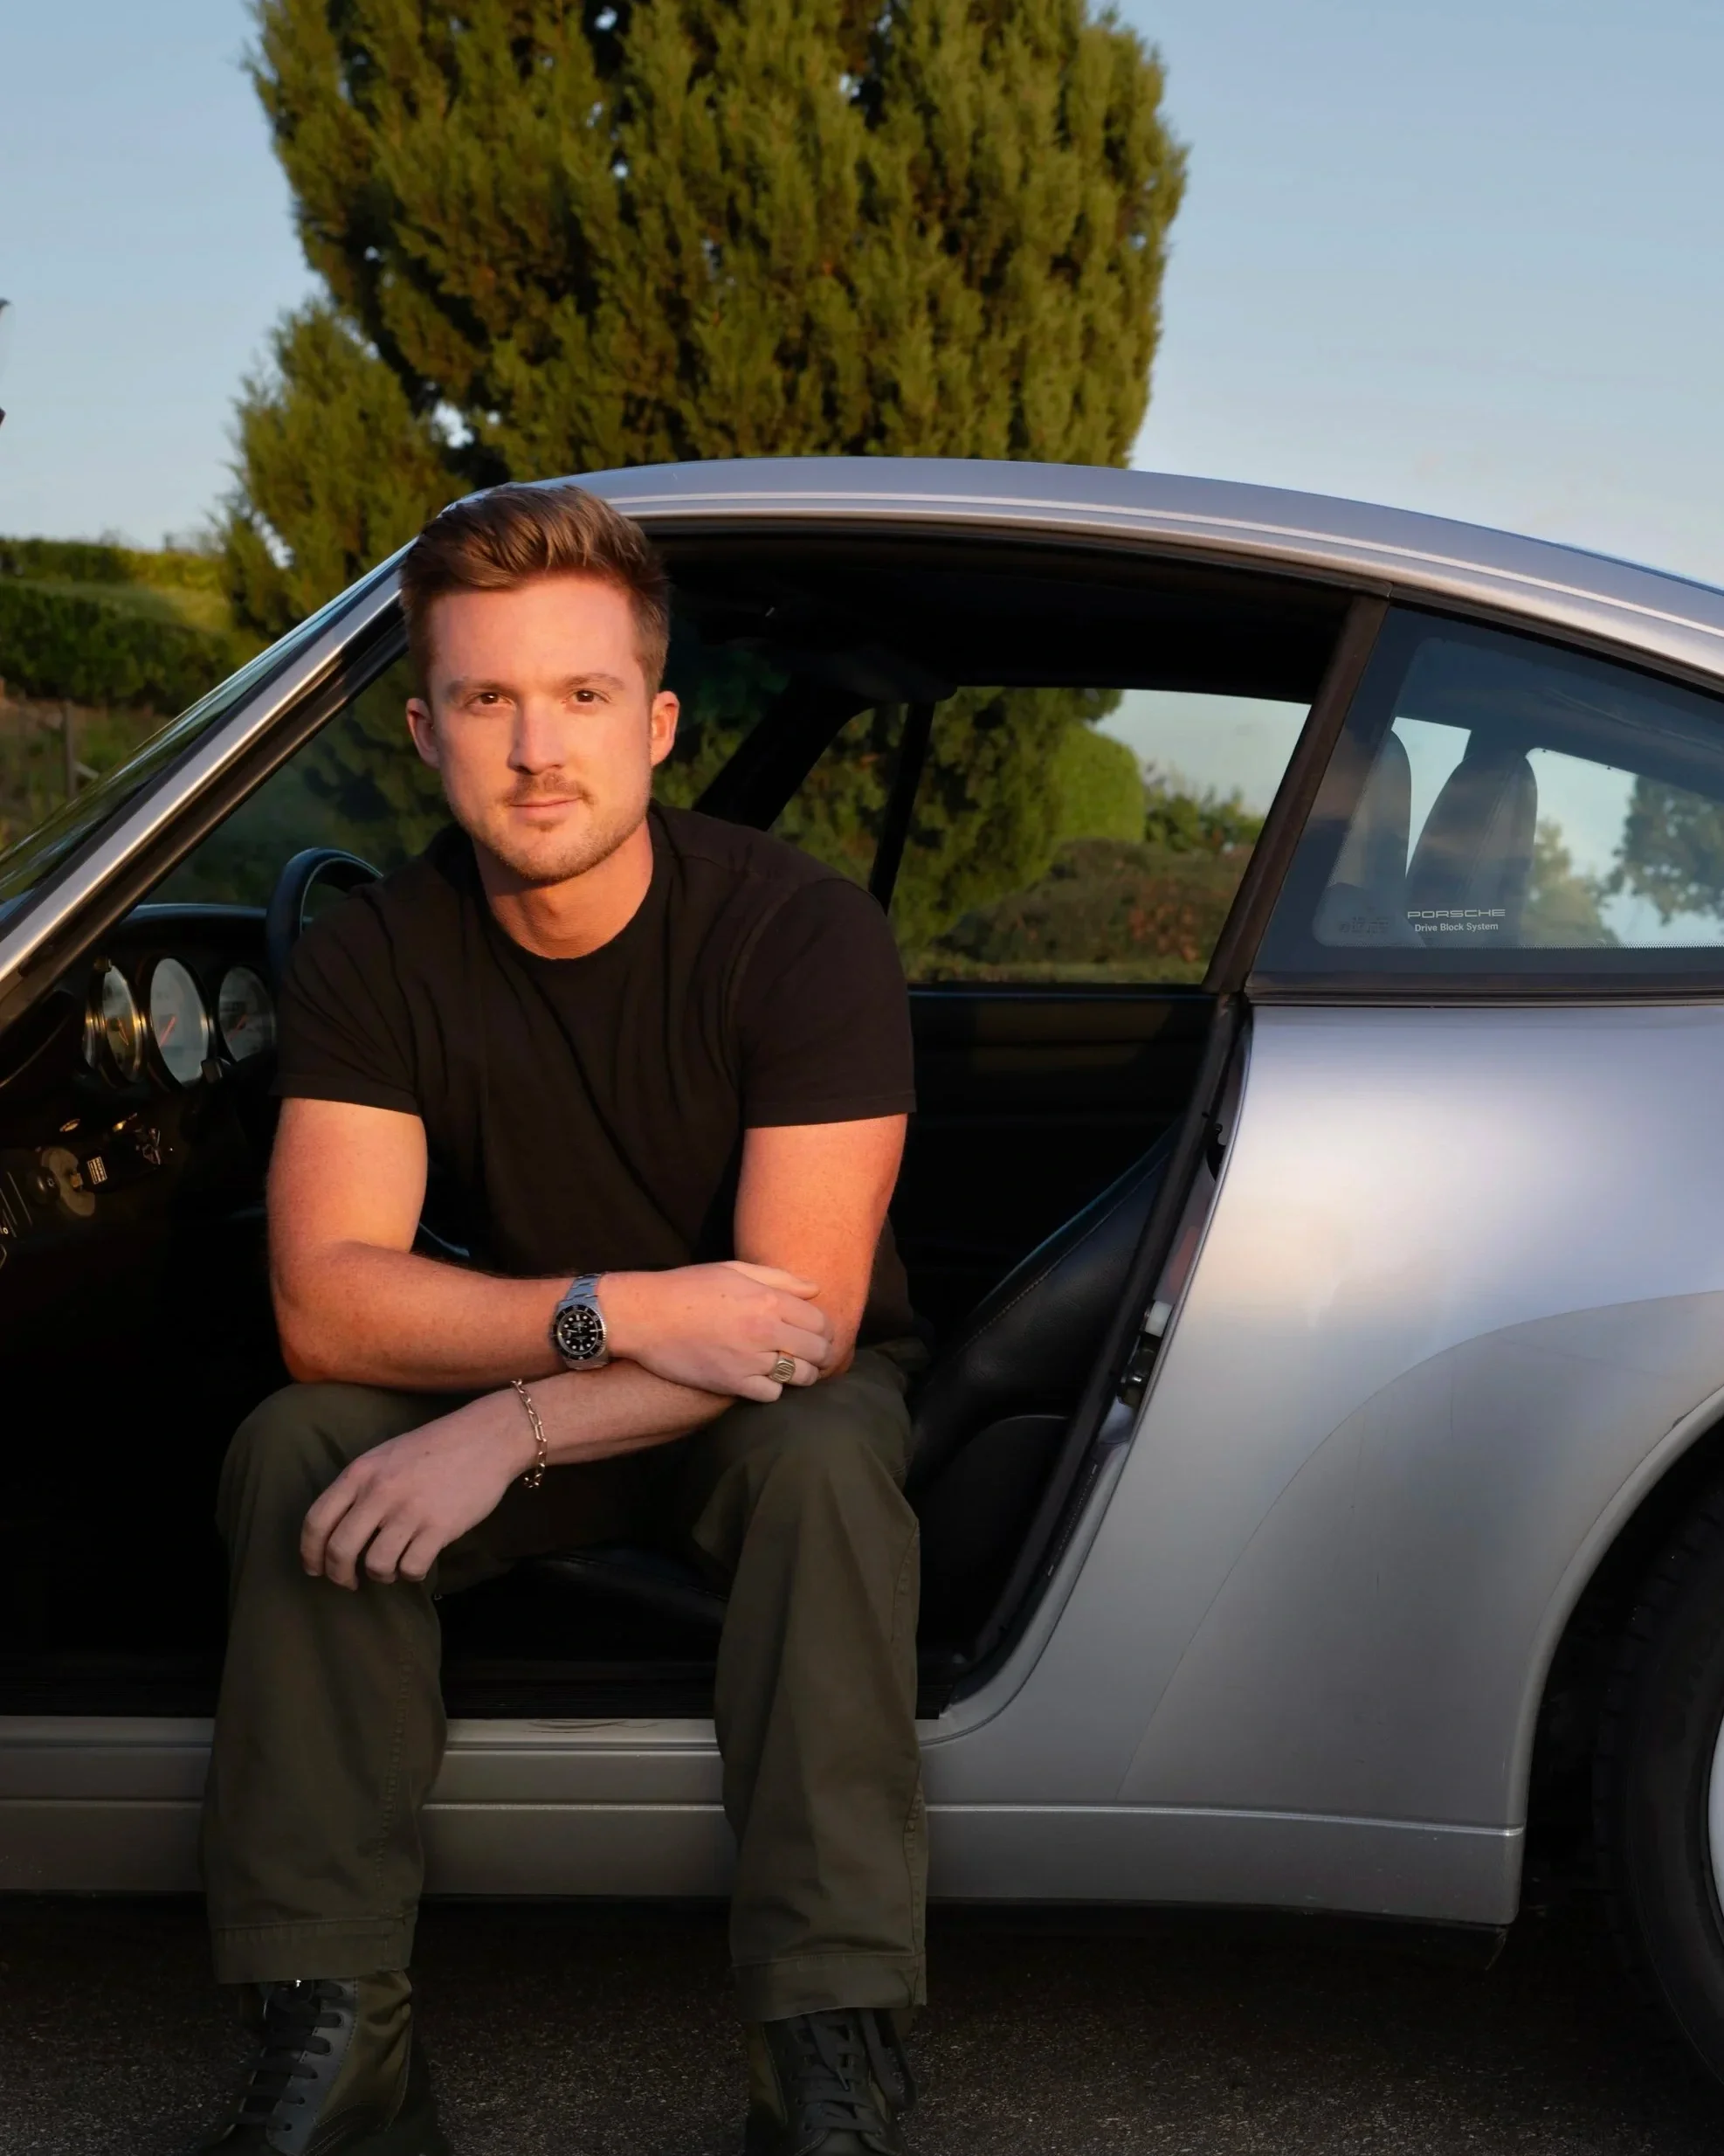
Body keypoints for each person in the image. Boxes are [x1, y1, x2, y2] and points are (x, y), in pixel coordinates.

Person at [192, 483, 927, 2156]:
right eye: (487, 699)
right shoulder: (374, 955)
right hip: (560, 1361)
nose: (537, 750)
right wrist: (616, 1316)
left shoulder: (800, 932)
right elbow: (324, 1302)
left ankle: (827, 2045)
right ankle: (334, 2033)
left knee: (822, 1463)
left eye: (583, 695)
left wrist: (509, 1424)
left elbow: (791, 1329)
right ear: (425, 733)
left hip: (770, 1410)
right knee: (300, 1443)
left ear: (656, 724)